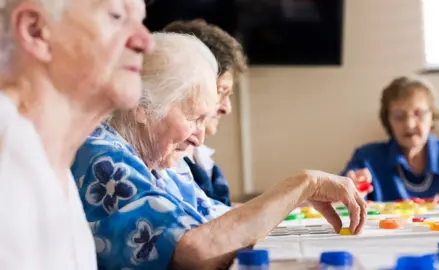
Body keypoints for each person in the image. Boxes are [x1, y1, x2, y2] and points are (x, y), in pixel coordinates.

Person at [72, 32, 367, 269]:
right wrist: (303, 184)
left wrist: (303, 196)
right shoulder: (100, 156)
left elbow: (221, 221)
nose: (200, 138)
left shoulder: (163, 164)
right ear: (140, 106)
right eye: (193, 117)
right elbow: (196, 252)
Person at [0, 0, 152, 268]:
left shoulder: (49, 158)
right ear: (35, 31)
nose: (145, 42)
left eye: (141, 20)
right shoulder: (7, 158)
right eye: (116, 16)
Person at [342, 76, 439, 202]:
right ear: (388, 120)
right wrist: (352, 190)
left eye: (418, 114)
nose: (409, 124)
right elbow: (340, 198)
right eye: (399, 116)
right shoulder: (367, 158)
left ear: (432, 115)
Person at [163, 20, 248, 206]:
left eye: (229, 95)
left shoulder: (197, 152)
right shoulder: (163, 154)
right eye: (220, 91)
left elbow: (216, 211)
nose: (227, 107)